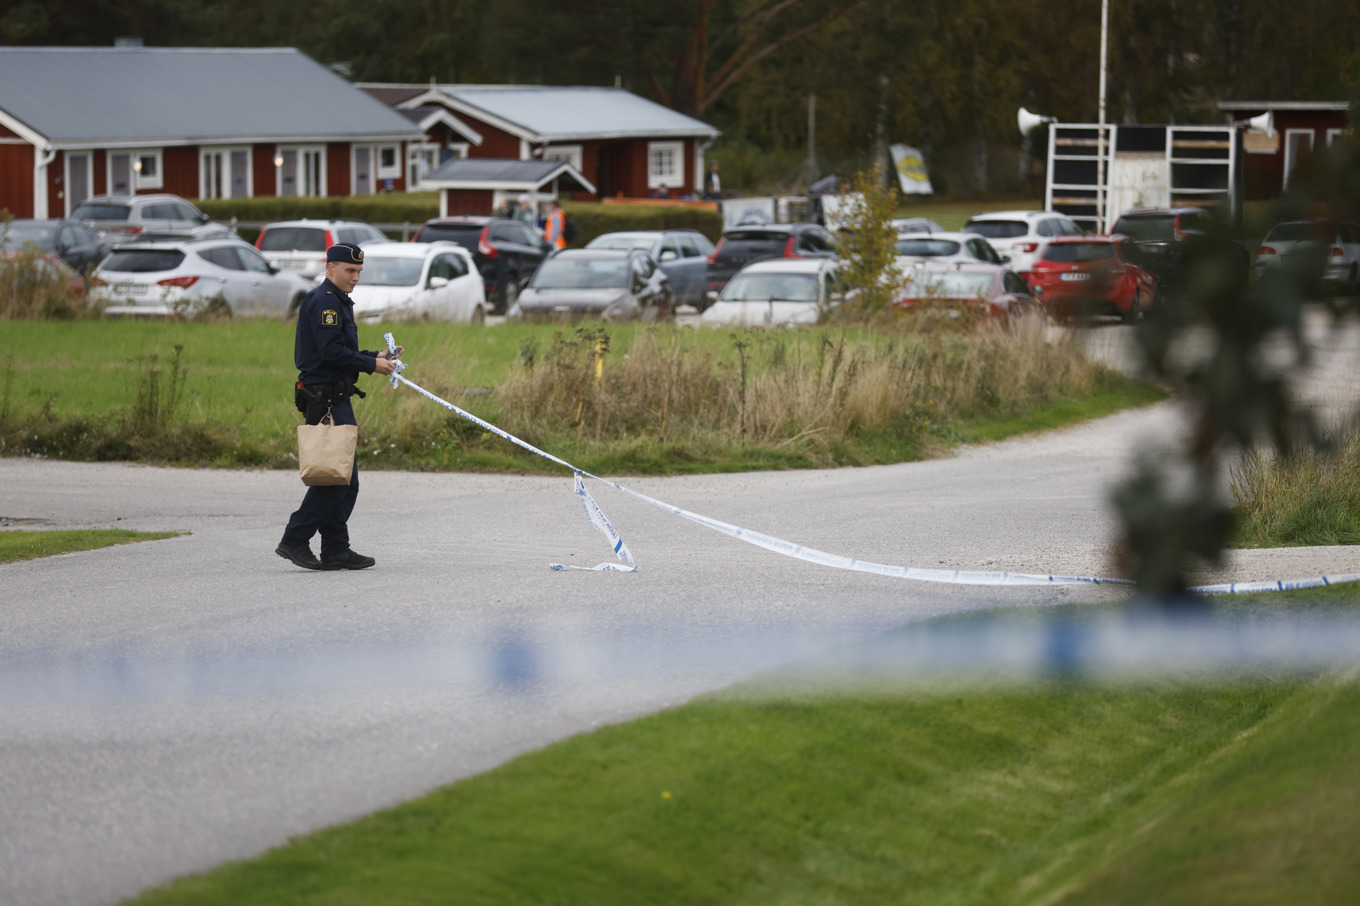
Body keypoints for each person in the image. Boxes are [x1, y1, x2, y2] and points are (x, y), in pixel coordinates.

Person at [276, 242, 403, 571]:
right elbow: (331, 353)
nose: (355, 277)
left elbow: (342, 349)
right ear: (330, 268)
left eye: (359, 272)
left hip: (336, 395)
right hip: (325, 399)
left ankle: (335, 548)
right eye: (350, 270)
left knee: (343, 478)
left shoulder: (338, 301)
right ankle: (295, 538)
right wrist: (370, 366)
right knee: (336, 477)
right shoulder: (324, 303)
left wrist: (376, 357)